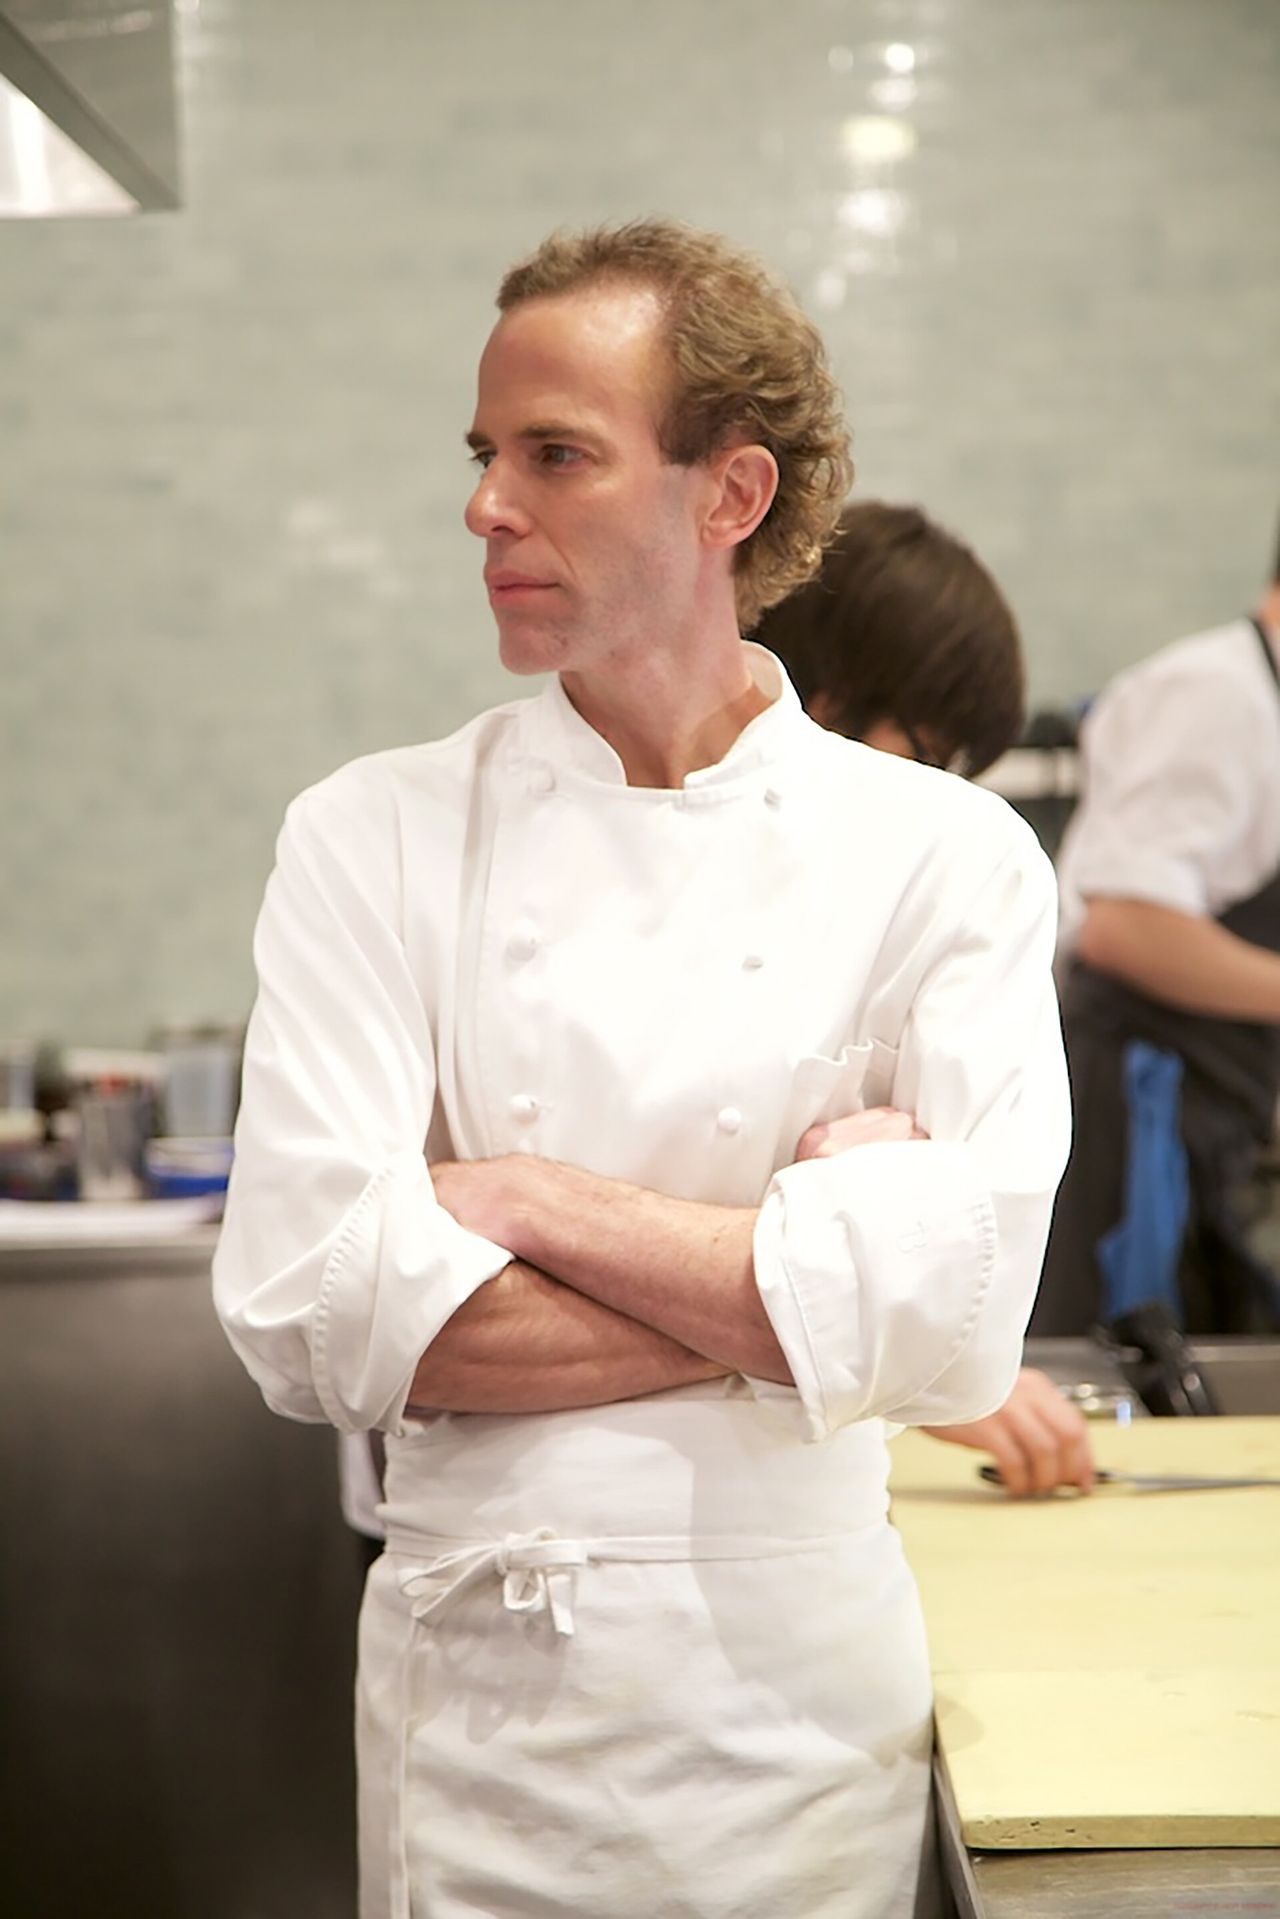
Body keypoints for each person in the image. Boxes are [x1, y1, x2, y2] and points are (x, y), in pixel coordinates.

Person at [213, 218, 1070, 1919]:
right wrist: (812, 1298)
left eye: (555, 454)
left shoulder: (946, 854)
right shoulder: (372, 833)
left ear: (729, 492)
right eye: (482, 453)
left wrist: (525, 1199)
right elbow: (311, 1313)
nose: (486, 505)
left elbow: (959, 1330)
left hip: (798, 1726)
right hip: (485, 1722)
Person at [759, 501, 1094, 1493]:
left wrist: (928, 1354)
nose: (944, 794)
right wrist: (908, 1357)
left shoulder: (903, 889)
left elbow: (952, 1232)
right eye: (930, 752)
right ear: (825, 702)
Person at [1032, 527, 1280, 1337]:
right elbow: (1126, 925)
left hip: (1211, 1119)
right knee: (1104, 1364)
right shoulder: (1217, 696)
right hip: (1130, 1114)